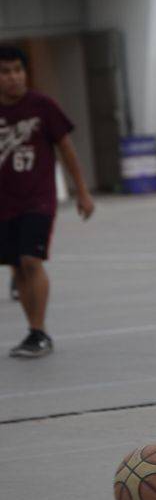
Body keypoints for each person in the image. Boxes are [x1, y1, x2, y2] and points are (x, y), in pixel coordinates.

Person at [0, 46, 95, 357]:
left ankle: (40, 332)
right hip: (5, 203)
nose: (13, 77)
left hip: (38, 199)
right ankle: (33, 331)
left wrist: (82, 191)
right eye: (5, 72)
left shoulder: (42, 106)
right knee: (17, 266)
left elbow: (66, 149)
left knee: (31, 260)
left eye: (17, 70)